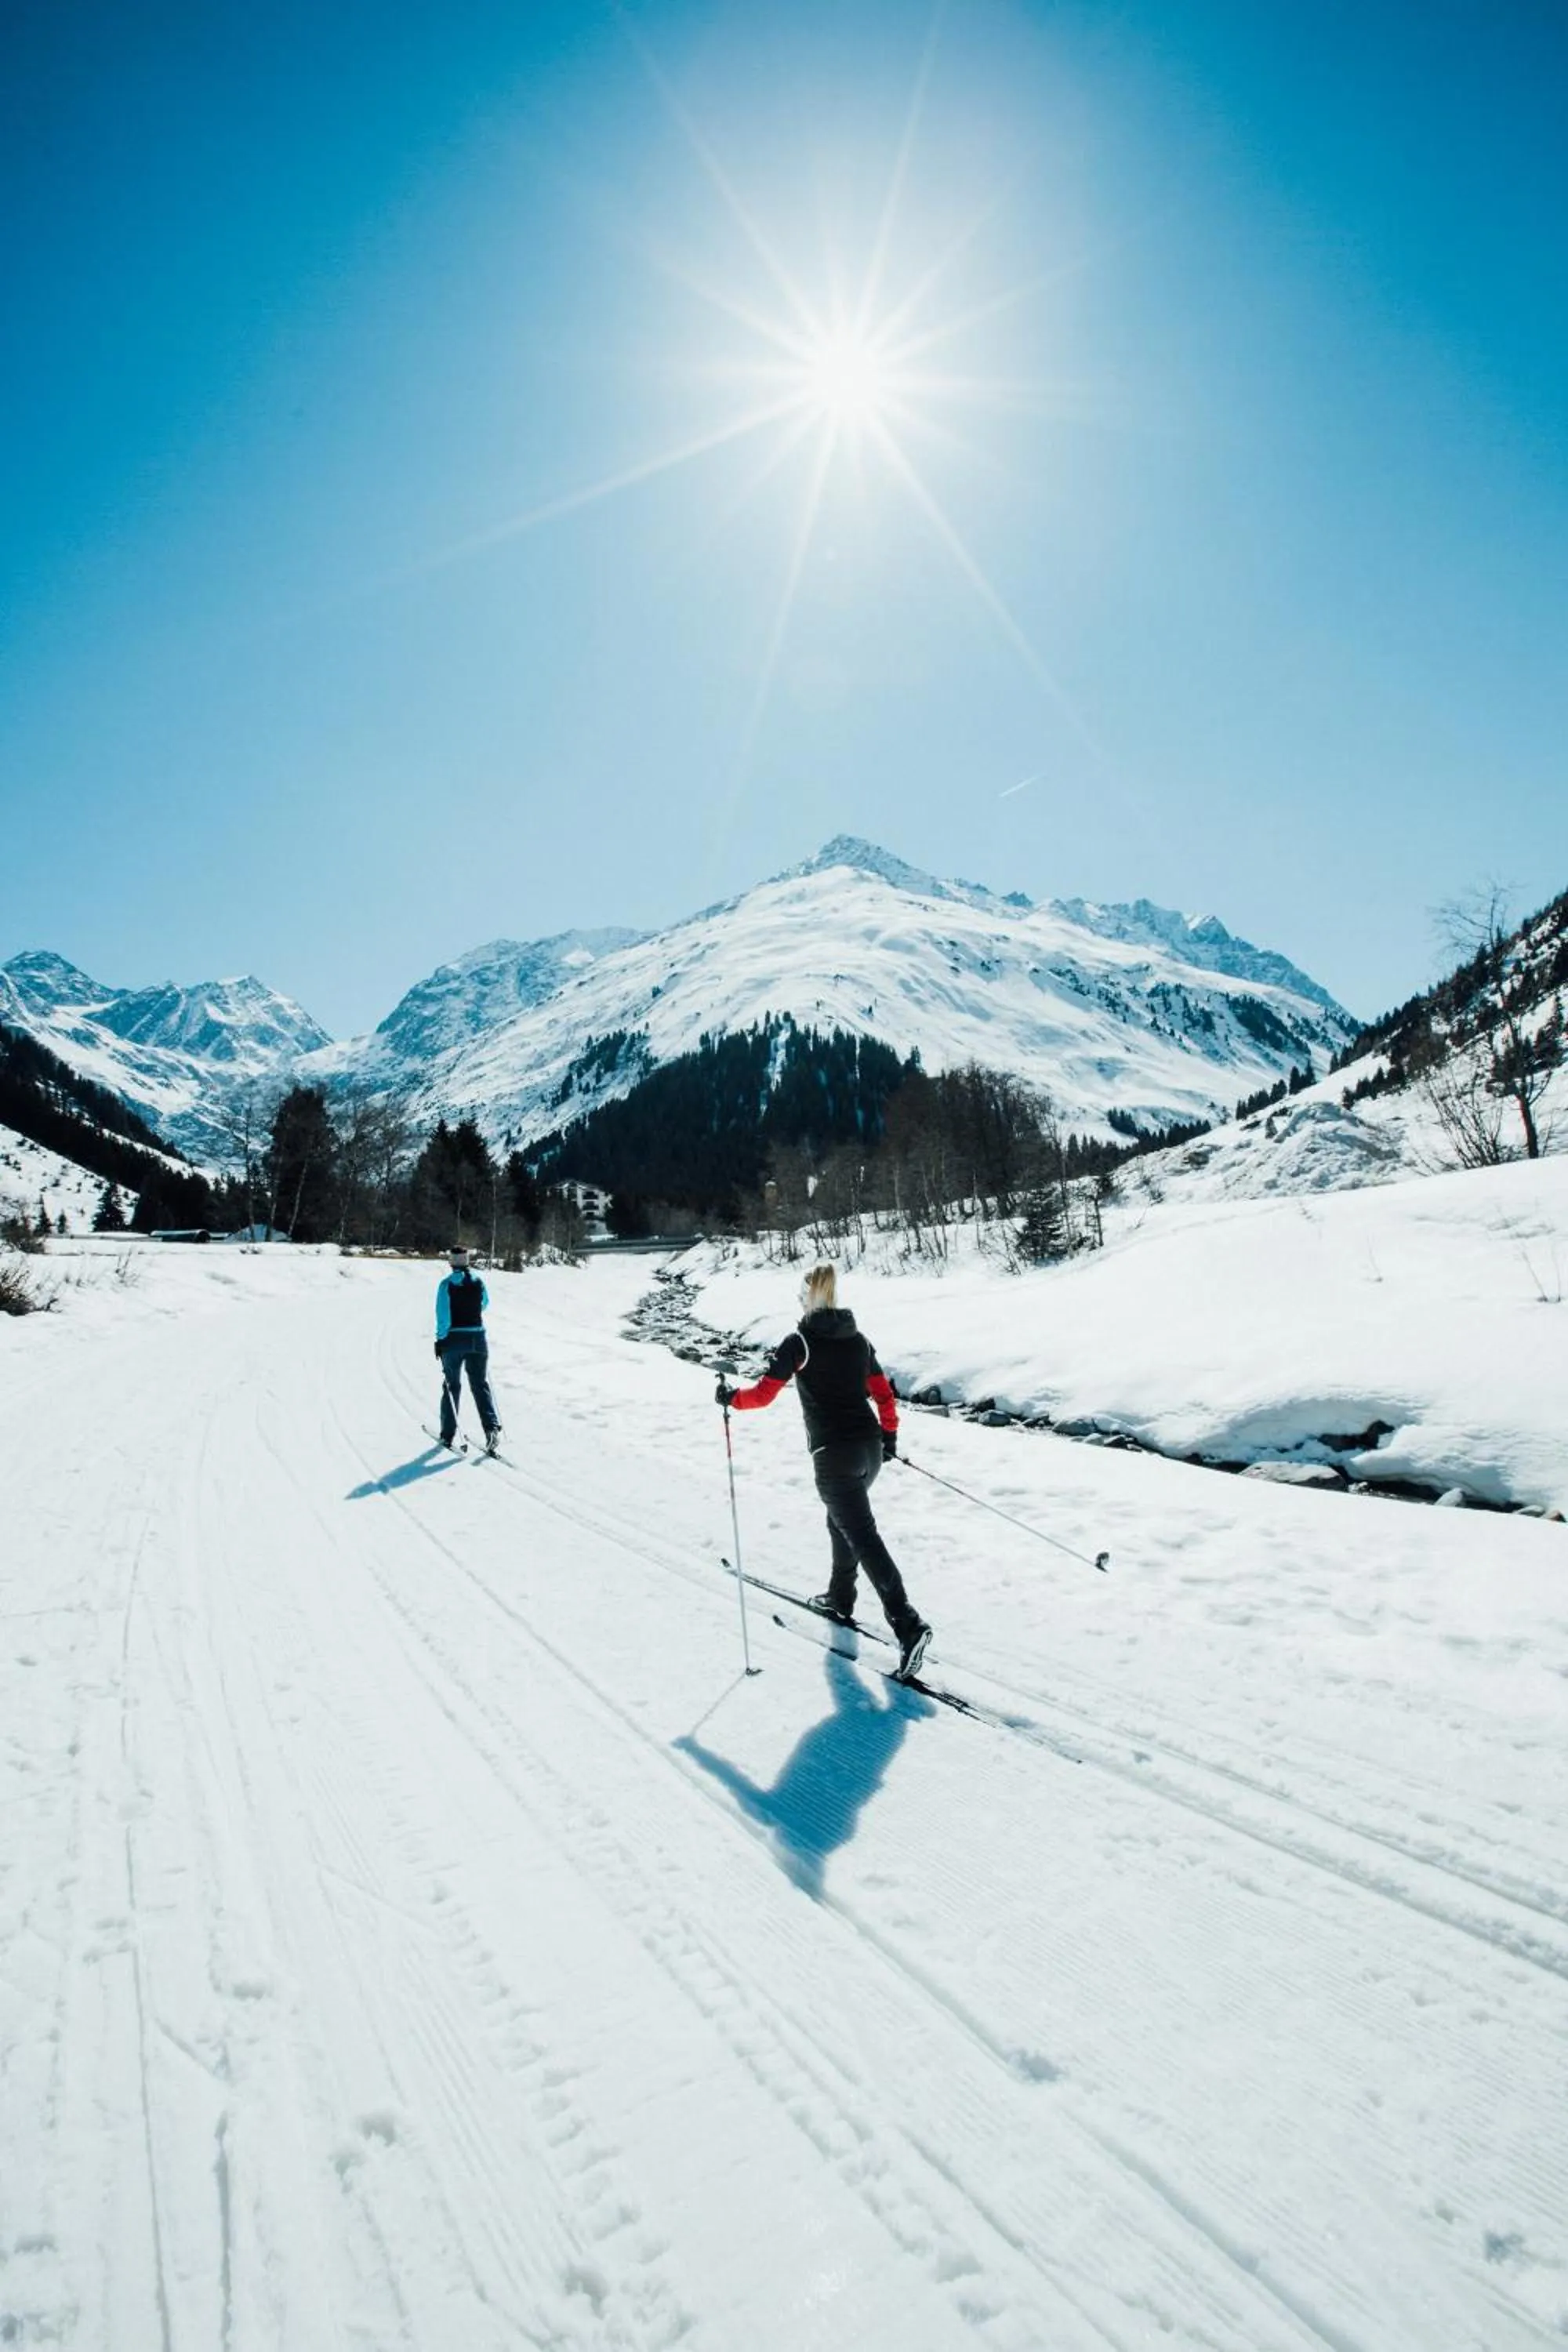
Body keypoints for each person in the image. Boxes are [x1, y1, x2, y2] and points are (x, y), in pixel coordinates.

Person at [717, 1262, 931, 1682]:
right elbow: (884, 1395)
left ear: (808, 1299)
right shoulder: (859, 1340)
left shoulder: (799, 1342)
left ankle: (908, 1624)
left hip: (834, 1456)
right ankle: (839, 1597)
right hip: (869, 1451)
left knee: (862, 1535)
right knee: (843, 1524)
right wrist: (889, 1439)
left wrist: (730, 1398)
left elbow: (762, 1395)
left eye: (800, 1297)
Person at [434, 1245, 502, 1455]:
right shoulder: (478, 1282)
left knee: (452, 1385)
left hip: (454, 1339)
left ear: (451, 1262)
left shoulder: (446, 1285)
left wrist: (440, 1340)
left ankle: (447, 1434)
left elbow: (443, 1317)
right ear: (467, 1262)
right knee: (480, 1384)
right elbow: (484, 1303)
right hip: (477, 1339)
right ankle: (491, 1428)